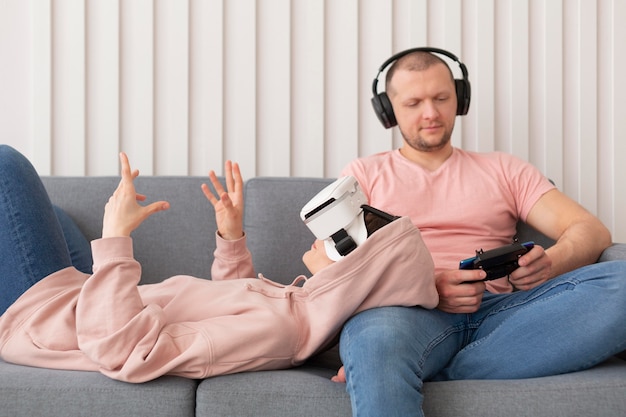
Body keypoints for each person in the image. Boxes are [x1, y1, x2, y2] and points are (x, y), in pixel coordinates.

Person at [333, 48, 626, 416]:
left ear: (460, 98)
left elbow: (590, 230)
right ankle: (397, 359)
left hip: (505, 313)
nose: (431, 113)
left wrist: (550, 262)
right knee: (376, 339)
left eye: (441, 98)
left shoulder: (504, 168)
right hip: (406, 314)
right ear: (388, 111)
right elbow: (327, 261)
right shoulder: (363, 175)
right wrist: (430, 286)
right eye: (413, 103)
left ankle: (430, 367)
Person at [0, 144, 438, 383]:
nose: (318, 239)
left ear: (354, 273)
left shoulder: (283, 330)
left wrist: (116, 236)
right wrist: (231, 236)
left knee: (6, 166)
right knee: (54, 215)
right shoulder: (300, 311)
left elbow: (127, 351)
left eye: (334, 240)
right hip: (84, 298)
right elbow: (227, 307)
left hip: (49, 319)